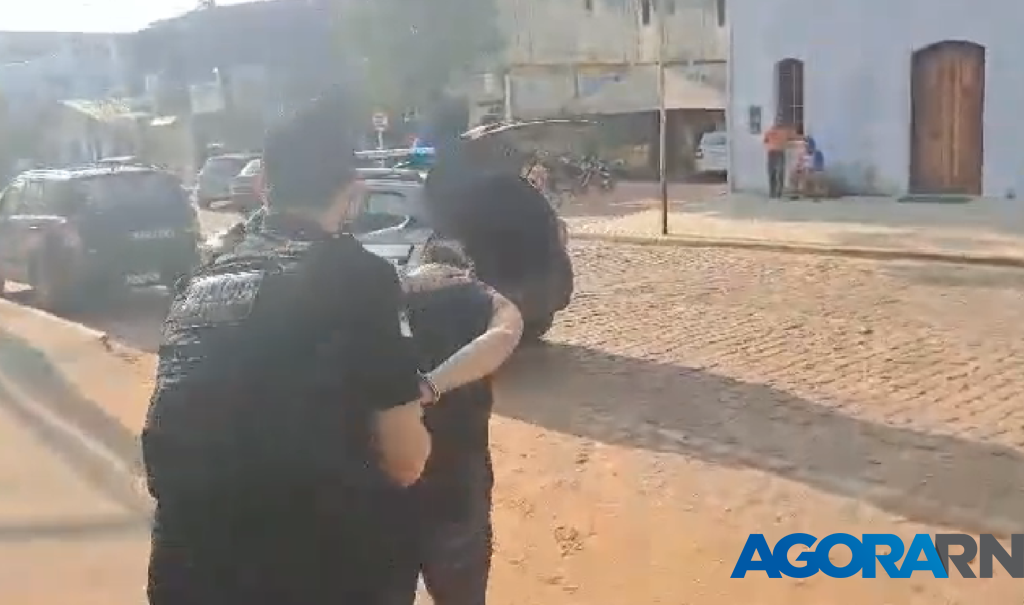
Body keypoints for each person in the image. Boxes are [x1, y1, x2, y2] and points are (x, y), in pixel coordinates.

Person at [142, 92, 505, 605]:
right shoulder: (358, 276)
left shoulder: (198, 283)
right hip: (314, 573)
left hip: (183, 571)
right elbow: (405, 459)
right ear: (353, 191)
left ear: (264, 182)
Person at [400, 243, 523, 605]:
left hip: (389, 468)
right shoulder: (483, 298)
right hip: (458, 471)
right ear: (464, 268)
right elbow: (505, 334)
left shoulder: (388, 294)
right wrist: (432, 385)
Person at [763, 120, 796, 198]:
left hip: (773, 152)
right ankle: (777, 192)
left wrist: (769, 145)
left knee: (774, 173)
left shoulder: (770, 132)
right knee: (778, 173)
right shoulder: (783, 132)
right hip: (777, 152)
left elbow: (765, 141)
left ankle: (774, 192)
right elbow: (792, 138)